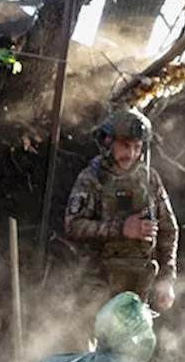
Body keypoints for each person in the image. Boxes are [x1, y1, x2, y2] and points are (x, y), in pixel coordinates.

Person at [64, 107, 178, 313]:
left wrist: (167, 280)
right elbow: (73, 226)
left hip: (137, 290)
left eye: (137, 147)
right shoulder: (92, 179)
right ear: (109, 142)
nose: (131, 154)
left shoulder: (149, 180)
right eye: (125, 146)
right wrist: (121, 229)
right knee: (88, 343)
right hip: (96, 287)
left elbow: (169, 231)